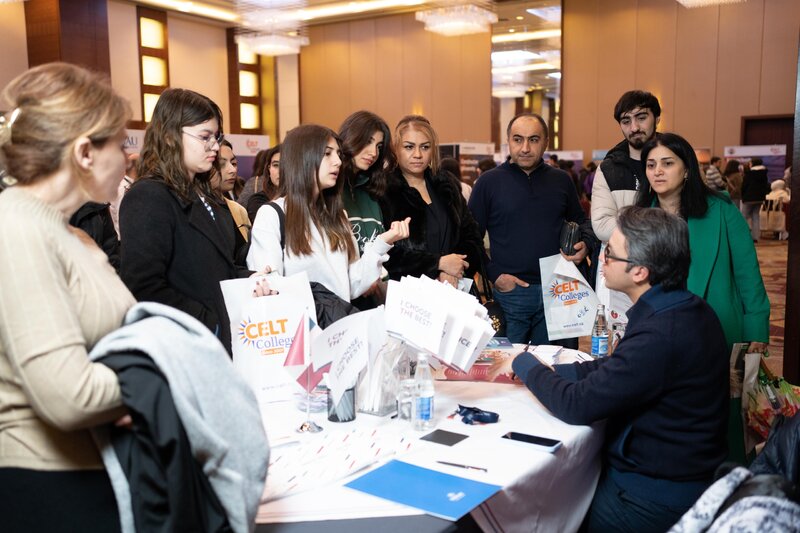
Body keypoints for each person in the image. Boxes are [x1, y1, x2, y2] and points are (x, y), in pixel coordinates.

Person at [492, 206, 730, 533]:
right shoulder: (686, 308)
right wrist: (556, 370)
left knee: (549, 508)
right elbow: (619, 368)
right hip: (681, 475)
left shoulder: (660, 335)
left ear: (640, 272)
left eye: (611, 255)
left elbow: (576, 405)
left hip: (648, 496)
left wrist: (521, 360)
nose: (602, 260)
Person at [0, 62, 135, 531]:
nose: (128, 157)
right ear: (84, 152)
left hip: (93, 474)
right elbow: (69, 395)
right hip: (50, 490)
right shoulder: (16, 226)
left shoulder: (61, 229)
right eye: (121, 143)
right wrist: (162, 382)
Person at [119, 88, 256, 355]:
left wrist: (251, 280)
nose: (214, 147)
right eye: (205, 137)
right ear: (170, 137)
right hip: (189, 349)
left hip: (221, 345)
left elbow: (216, 270)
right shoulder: (148, 196)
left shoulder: (205, 196)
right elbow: (144, 288)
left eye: (216, 137)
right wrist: (209, 324)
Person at [469, 113, 596, 345]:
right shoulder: (488, 183)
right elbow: (469, 238)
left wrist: (584, 244)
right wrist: (495, 275)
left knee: (556, 367)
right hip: (512, 295)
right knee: (506, 371)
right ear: (509, 141)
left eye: (534, 139)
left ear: (546, 142)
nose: (525, 148)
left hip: (559, 291)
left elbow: (581, 221)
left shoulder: (561, 180)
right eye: (518, 139)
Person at [246, 124, 409, 302]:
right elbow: (269, 288)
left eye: (338, 154)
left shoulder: (337, 215)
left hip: (340, 323)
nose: (338, 161)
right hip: (302, 326)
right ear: (303, 157)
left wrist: (382, 242)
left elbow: (352, 285)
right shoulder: (272, 215)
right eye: (327, 153)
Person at [379, 115, 484, 288]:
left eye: (425, 147)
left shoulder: (447, 184)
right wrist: (438, 264)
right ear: (396, 149)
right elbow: (386, 254)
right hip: (410, 297)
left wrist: (452, 270)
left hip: (455, 289)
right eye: (409, 147)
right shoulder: (385, 191)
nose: (418, 154)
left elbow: (472, 238)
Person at [591, 90, 661, 242]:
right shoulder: (609, 169)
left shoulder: (679, 161)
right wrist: (657, 233)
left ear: (657, 119)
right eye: (626, 121)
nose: (634, 128)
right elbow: (602, 225)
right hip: (627, 261)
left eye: (641, 118)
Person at [210, 139, 250, 241]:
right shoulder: (193, 209)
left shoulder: (239, 210)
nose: (232, 170)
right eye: (222, 164)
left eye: (233, 163)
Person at [247, 144, 281, 224]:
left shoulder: (303, 199)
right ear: (269, 169)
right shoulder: (258, 200)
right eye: (276, 165)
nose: (280, 171)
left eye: (285, 165)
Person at [740, 157, 770, 242]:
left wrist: (743, 196)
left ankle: (743, 236)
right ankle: (756, 237)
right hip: (759, 198)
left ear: (753, 163)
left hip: (749, 198)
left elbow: (744, 186)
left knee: (744, 217)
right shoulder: (764, 173)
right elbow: (766, 186)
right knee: (756, 217)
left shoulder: (749, 174)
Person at [109, 151, 137, 238]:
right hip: (123, 241)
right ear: (136, 167)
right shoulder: (122, 189)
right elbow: (121, 217)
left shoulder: (130, 186)